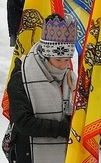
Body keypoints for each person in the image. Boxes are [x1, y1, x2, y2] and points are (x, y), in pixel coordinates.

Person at [7, 13, 75, 163]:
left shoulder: (70, 76)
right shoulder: (22, 75)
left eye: (67, 60)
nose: (63, 65)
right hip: (28, 152)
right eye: (58, 59)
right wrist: (64, 129)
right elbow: (23, 122)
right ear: (45, 54)